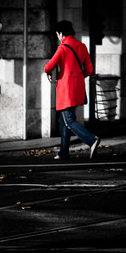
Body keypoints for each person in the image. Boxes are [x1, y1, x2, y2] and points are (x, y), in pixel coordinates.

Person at [44, 20, 101, 160]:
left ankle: (91, 139)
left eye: (57, 34)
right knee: (64, 121)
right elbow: (89, 69)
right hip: (78, 89)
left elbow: (49, 65)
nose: (58, 36)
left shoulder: (62, 48)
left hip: (66, 90)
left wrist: (48, 72)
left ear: (61, 33)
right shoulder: (81, 46)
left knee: (69, 120)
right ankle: (63, 152)